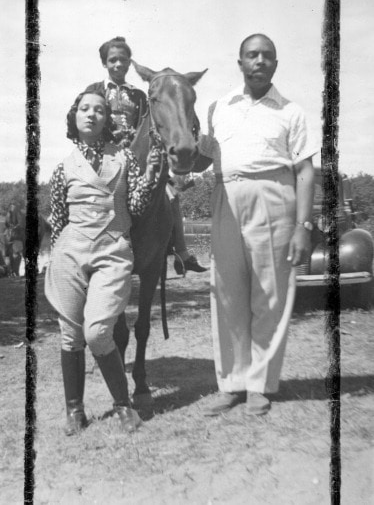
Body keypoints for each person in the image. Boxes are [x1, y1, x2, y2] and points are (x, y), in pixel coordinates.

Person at [194, 34, 317, 417]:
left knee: (270, 295)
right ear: (240, 63)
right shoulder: (219, 107)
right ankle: (232, 383)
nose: (259, 61)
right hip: (226, 197)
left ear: (276, 65)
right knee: (228, 294)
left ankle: (259, 386)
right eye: (252, 55)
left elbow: (305, 171)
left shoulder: (291, 112)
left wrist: (303, 225)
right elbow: (201, 162)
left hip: (275, 199)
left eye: (267, 56)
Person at [44, 90, 161, 436]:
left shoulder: (124, 158)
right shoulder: (62, 168)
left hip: (112, 249)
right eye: (84, 108)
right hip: (70, 253)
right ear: (74, 117)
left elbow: (137, 209)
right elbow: (58, 221)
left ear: (107, 120)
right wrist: (56, 264)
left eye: (99, 110)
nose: (91, 114)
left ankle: (124, 406)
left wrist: (151, 175)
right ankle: (74, 411)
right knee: (71, 334)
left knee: (97, 331)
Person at [85, 36, 206, 274]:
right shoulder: (94, 91)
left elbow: (148, 130)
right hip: (105, 162)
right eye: (113, 60)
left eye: (123, 60)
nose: (118, 64)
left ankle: (181, 254)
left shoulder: (140, 95)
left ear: (130, 63)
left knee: (170, 195)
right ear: (105, 63)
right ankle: (82, 253)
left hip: (136, 164)